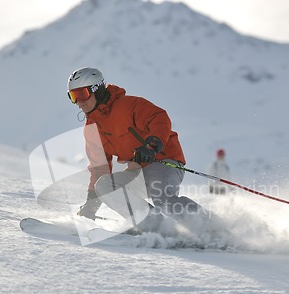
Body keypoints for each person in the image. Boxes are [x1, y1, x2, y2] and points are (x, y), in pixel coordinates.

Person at [67, 67, 206, 233]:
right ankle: (152, 224)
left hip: (163, 160)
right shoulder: (91, 128)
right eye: (73, 96)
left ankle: (208, 227)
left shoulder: (127, 105)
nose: (79, 102)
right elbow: (99, 169)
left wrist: (152, 146)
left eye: (81, 94)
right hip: (138, 170)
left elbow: (159, 117)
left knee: (162, 198)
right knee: (104, 185)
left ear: (97, 89)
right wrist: (91, 205)